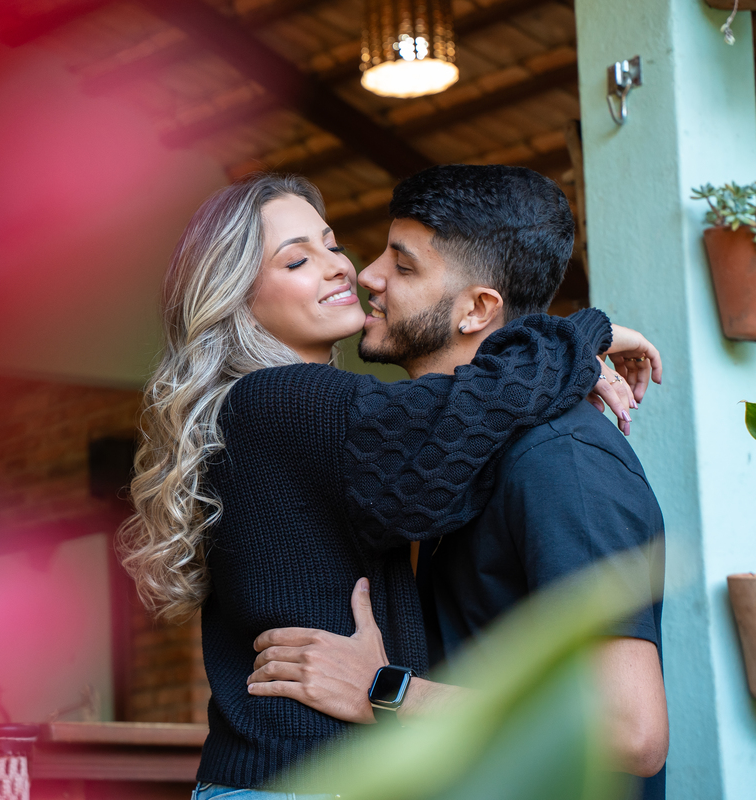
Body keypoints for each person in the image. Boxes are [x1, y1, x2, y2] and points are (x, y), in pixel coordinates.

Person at [117, 172, 659, 798]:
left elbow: (469, 411)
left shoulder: (309, 422)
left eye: (330, 244)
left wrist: (387, 690)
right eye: (296, 260)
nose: (348, 268)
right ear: (234, 300)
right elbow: (474, 404)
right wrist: (580, 338)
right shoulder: (283, 401)